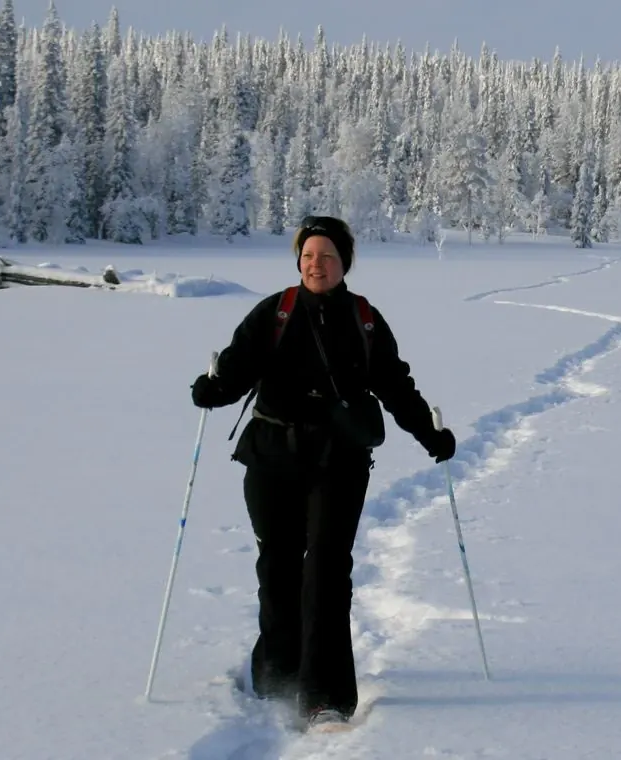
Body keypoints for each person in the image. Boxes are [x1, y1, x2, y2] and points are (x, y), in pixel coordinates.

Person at [190, 215, 457, 732]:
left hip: (339, 460)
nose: (317, 265)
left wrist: (430, 434)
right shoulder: (275, 312)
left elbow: (395, 385)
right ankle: (276, 673)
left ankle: (326, 696)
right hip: (271, 456)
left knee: (328, 571)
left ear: (344, 263)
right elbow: (237, 367)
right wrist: (210, 390)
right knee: (279, 565)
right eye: (309, 255)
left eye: (328, 257)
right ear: (298, 260)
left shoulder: (364, 319)